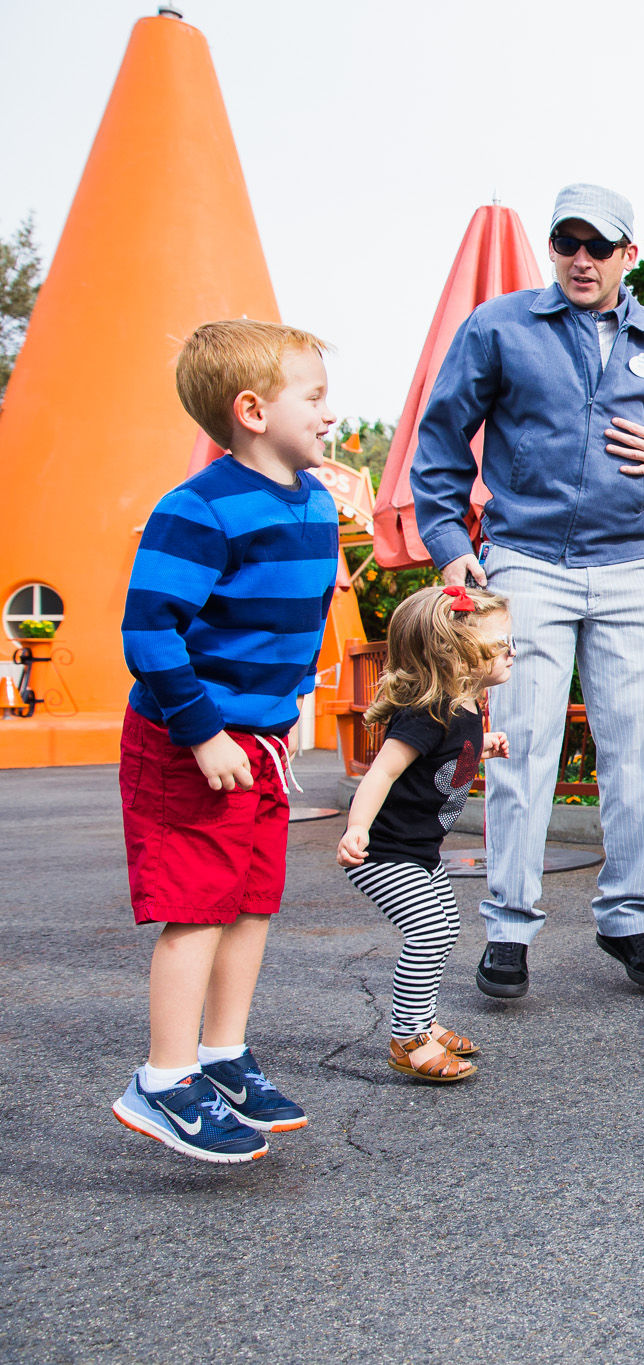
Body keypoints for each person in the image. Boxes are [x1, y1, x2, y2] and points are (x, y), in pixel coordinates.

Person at [411, 183, 644, 1001]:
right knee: (522, 751)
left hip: (629, 568)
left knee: (633, 756)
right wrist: (450, 547)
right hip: (525, 562)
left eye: (599, 246)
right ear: (552, 249)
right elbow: (441, 440)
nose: (581, 260)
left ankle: (626, 917)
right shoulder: (499, 328)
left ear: (630, 254)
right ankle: (510, 929)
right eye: (568, 243)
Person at [110, 320, 339, 1163]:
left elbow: (292, 621)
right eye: (312, 398)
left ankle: (222, 1055)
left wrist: (289, 711)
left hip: (263, 741)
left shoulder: (314, 500)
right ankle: (162, 1080)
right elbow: (150, 633)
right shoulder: (198, 508)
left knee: (250, 898)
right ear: (251, 410)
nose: (328, 413)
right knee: (196, 907)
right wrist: (203, 733)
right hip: (191, 740)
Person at [336, 584, 514, 1082]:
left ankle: (422, 1023)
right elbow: (383, 773)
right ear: (458, 654)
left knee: (445, 929)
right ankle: (407, 1038)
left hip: (420, 850)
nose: (512, 653)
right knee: (428, 930)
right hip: (384, 851)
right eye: (501, 645)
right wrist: (356, 830)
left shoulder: (467, 707)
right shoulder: (427, 711)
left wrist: (481, 751)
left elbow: (440, 764)